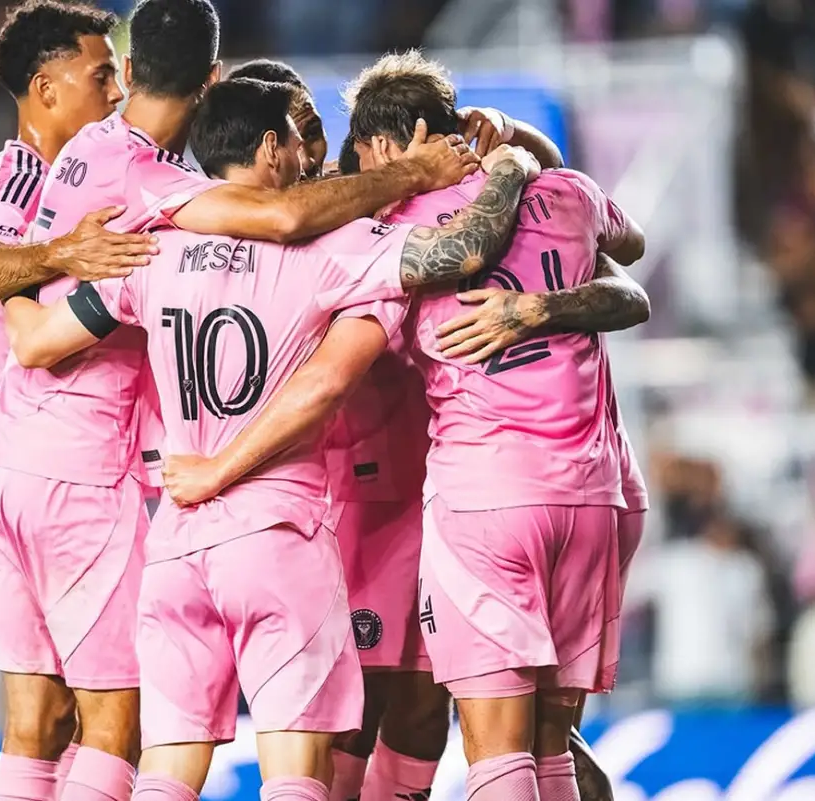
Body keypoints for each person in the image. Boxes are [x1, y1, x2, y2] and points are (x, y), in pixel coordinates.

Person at [0, 2, 477, 800]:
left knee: (113, 754)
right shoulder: (310, 242)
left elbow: (23, 327)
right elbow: (355, 258)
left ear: (135, 72)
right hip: (254, 522)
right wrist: (453, 167)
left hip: (152, 529)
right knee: (279, 768)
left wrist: (52, 264)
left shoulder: (141, 240)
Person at [163, 52, 648, 801]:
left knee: (453, 717)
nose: (316, 148)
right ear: (265, 145)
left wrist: (506, 151)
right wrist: (507, 165)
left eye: (324, 132)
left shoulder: (377, 215)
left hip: (461, 494)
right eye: (300, 131)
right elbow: (598, 260)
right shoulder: (341, 219)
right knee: (372, 715)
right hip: (373, 499)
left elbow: (614, 273)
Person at [0, 4, 156, 801]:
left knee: (40, 723)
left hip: (0, 467)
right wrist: (68, 251)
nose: (115, 92)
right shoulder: (23, 176)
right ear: (44, 88)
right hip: (61, 469)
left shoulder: (56, 177)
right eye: (100, 74)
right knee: (116, 721)